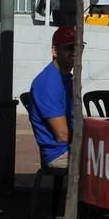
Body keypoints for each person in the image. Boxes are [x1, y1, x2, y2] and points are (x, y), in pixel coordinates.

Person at [28, 27, 80, 168]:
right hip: (59, 153)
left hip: (70, 148)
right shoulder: (48, 83)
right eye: (69, 48)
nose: (75, 52)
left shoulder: (66, 79)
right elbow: (62, 135)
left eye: (79, 47)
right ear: (54, 51)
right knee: (107, 160)